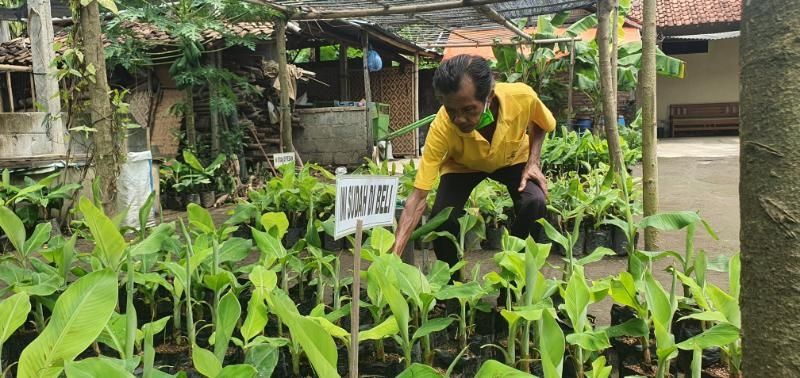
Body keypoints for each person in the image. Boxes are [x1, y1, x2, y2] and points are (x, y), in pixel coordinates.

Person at [392, 54, 556, 273]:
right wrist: (393, 256)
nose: (459, 119)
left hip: (512, 159)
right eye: (451, 111)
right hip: (462, 166)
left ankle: (514, 279)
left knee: (534, 202)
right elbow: (418, 197)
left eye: (469, 110)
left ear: (489, 96)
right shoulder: (442, 127)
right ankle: (451, 286)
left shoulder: (521, 96)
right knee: (443, 218)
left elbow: (543, 124)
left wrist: (533, 161)